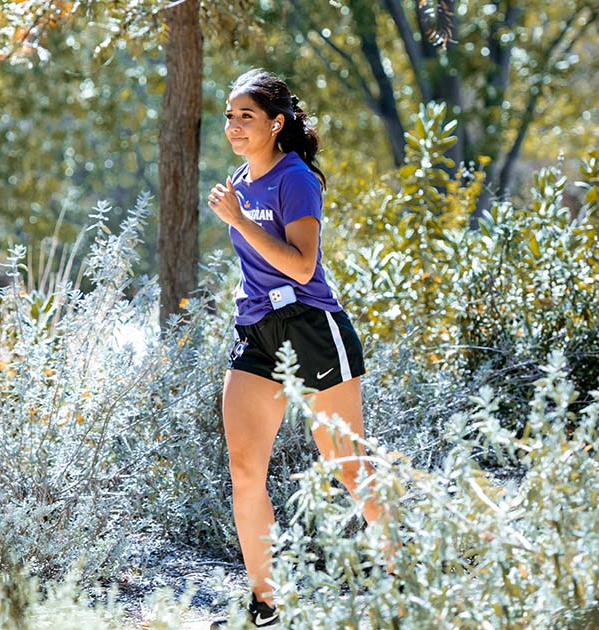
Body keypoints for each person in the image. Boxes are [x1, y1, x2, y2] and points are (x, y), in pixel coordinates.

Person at [205, 69, 390, 628]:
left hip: (311, 325)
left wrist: (238, 219)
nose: (235, 126)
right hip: (257, 332)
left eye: (247, 117)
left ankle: (406, 567)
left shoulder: (295, 179)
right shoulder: (239, 178)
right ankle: (267, 604)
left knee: (347, 464)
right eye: (230, 116)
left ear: (276, 123)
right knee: (243, 469)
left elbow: (302, 265)